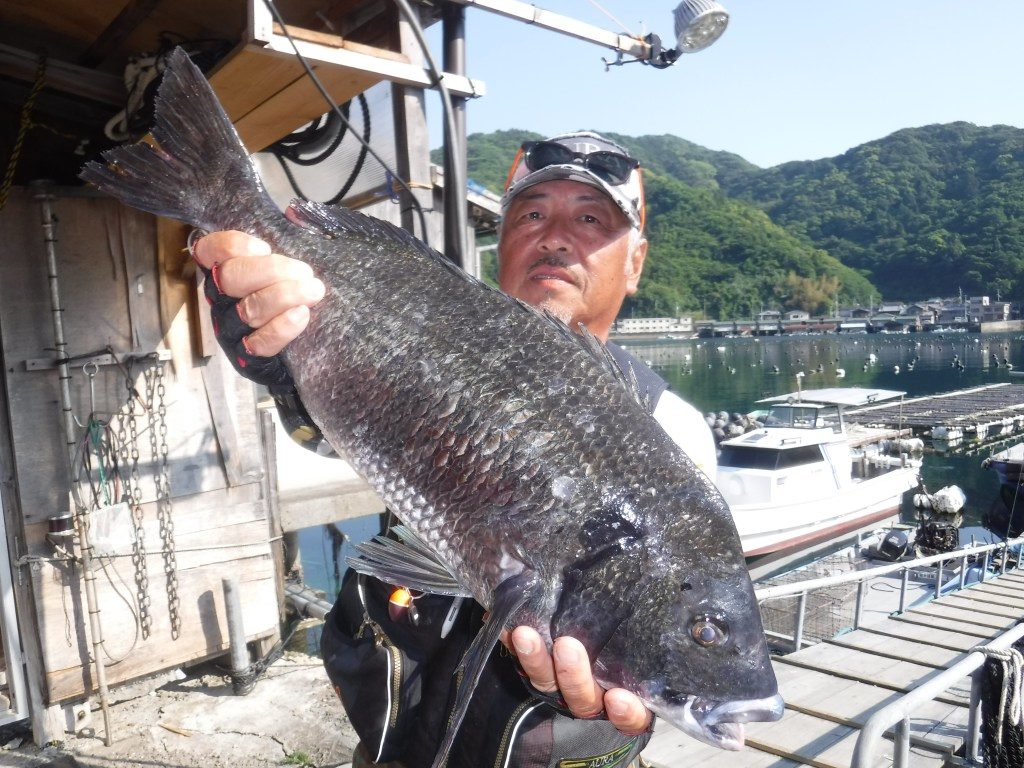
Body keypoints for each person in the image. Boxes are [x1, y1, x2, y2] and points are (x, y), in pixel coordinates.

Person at [191, 131, 716, 767]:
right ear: (502, 247)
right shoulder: (437, 345)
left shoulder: (673, 433)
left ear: (635, 263)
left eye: (589, 219)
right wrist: (289, 363)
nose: (554, 236)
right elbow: (336, 433)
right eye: (531, 214)